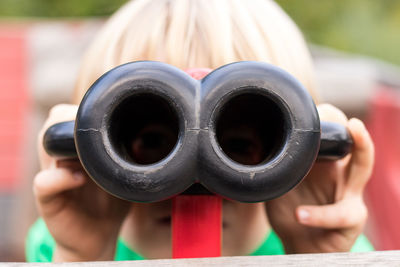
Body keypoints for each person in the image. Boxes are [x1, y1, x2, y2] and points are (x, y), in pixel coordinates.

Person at [26, 0, 375, 262]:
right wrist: (82, 256)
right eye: (152, 143)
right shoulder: (59, 242)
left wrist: (312, 256)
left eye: (235, 144)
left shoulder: (335, 244)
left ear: (300, 154)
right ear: (89, 148)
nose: (194, 182)